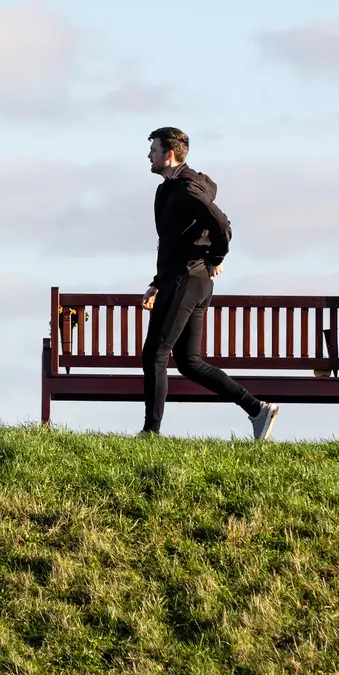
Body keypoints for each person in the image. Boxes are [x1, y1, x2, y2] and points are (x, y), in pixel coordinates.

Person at [140, 127, 277, 440]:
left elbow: (221, 224)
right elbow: (175, 241)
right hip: (186, 280)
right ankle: (257, 409)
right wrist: (157, 281)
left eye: (154, 150)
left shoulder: (187, 189)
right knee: (188, 361)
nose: (149, 155)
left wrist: (215, 257)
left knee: (155, 353)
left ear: (168, 154)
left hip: (187, 279)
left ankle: (151, 432)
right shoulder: (168, 190)